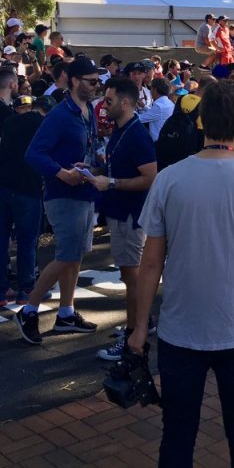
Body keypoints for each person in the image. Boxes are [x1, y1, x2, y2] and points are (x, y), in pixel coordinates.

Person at [128, 79, 234, 468]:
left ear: (201, 122)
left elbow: (150, 263)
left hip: (181, 329)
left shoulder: (170, 179)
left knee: (178, 433)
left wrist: (137, 326)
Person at [15, 57, 102, 344]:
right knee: (66, 254)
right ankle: (29, 309)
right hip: (63, 195)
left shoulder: (87, 109)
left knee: (74, 255)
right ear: (74, 81)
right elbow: (34, 154)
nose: (97, 85)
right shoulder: (60, 115)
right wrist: (62, 173)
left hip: (84, 192)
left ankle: (66, 311)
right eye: (91, 81)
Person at [86, 77, 158, 361]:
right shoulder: (121, 130)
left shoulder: (136, 134)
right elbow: (116, 164)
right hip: (120, 211)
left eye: (109, 100)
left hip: (130, 214)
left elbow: (150, 177)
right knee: (131, 275)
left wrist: (112, 183)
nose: (104, 105)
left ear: (125, 102)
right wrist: (93, 168)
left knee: (132, 276)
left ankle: (133, 334)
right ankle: (142, 323)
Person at [0, 96, 52, 307]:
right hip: (27, 186)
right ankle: (26, 288)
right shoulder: (44, 124)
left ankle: (0, 290)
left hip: (0, 183)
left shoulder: (10, 121)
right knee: (27, 239)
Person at [145, 76, 175, 143]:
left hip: (157, 144)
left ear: (155, 90)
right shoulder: (170, 103)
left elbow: (140, 119)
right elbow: (155, 114)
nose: (150, 91)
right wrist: (144, 106)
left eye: (151, 88)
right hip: (165, 141)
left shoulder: (159, 106)